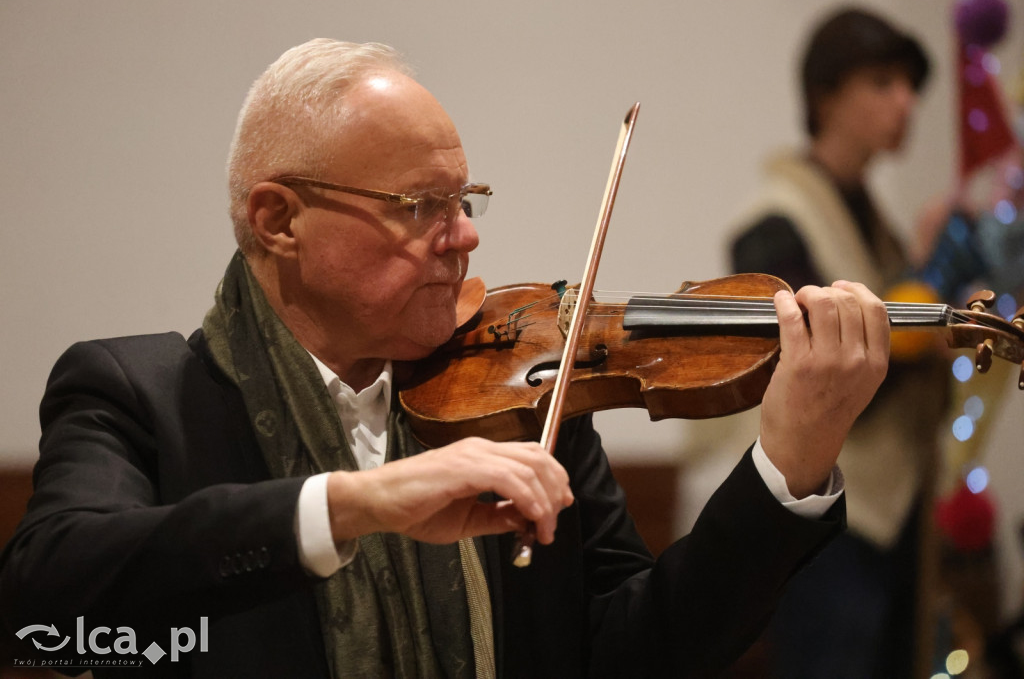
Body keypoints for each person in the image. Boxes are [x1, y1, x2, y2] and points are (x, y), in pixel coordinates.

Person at [0, 39, 890, 678]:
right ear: (278, 220)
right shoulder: (136, 397)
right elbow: (48, 612)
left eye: (466, 200)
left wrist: (789, 460)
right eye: (421, 204)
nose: (463, 236)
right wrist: (359, 504)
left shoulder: (525, 402)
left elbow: (639, 650)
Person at [727, 7, 950, 678]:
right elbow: (820, 370)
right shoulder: (772, 225)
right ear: (825, 95)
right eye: (882, 82)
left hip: (896, 512)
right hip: (829, 522)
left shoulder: (874, 220)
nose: (906, 103)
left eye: (910, 85)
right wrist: (927, 288)